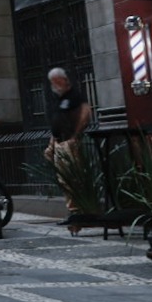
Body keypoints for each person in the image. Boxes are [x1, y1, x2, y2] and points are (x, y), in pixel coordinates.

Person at [44, 67, 93, 219]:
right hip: (59, 141)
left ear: (64, 80)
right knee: (64, 179)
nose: (54, 85)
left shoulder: (74, 96)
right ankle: (73, 210)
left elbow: (85, 113)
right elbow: (57, 122)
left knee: (72, 178)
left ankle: (78, 211)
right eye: (52, 82)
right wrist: (52, 144)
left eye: (56, 82)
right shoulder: (59, 98)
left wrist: (74, 137)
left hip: (68, 142)